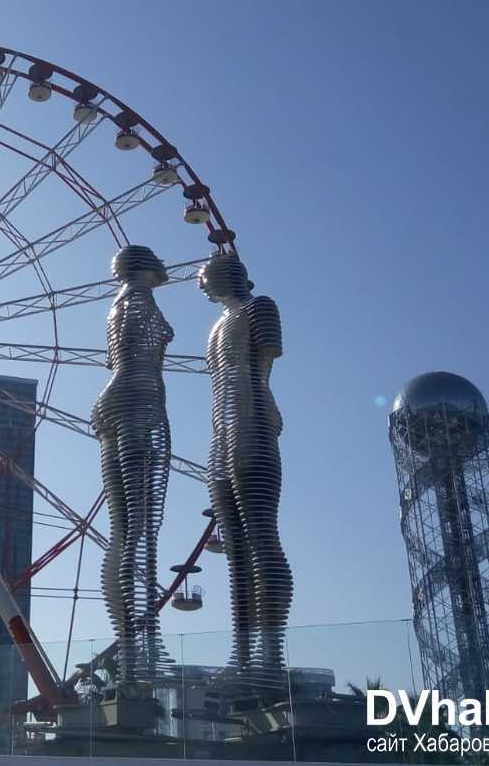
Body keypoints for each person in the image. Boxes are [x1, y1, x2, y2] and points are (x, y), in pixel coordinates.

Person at [199, 251, 292, 686]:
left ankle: (270, 656)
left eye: (204, 276)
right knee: (236, 553)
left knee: (261, 538)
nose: (200, 284)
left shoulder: (260, 307)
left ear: (225, 274)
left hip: (251, 424)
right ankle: (242, 655)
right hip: (220, 435)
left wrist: (258, 419)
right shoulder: (216, 325)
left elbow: (264, 366)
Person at [91, 245, 173, 684]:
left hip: (115, 400)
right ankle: (141, 647)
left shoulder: (117, 304)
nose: (164, 264)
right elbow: (131, 353)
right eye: (156, 257)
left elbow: (117, 355)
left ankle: (132, 646)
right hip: (137, 401)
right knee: (141, 532)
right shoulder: (139, 300)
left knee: (123, 532)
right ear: (143, 266)